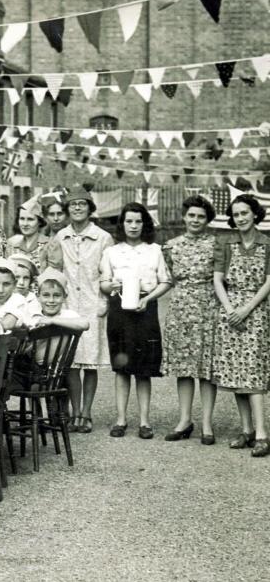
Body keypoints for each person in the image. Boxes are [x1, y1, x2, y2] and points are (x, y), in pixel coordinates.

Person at [44, 187, 113, 434]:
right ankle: (74, 412)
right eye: (73, 205)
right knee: (71, 361)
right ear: (67, 209)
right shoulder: (60, 237)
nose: (77, 208)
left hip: (94, 304)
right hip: (69, 304)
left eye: (82, 204)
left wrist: (105, 300)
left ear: (89, 208)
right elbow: (54, 270)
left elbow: (109, 273)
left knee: (91, 361)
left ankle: (86, 411)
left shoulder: (103, 237)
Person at [100, 202, 172, 439]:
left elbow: (166, 281)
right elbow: (103, 283)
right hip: (120, 309)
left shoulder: (154, 250)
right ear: (122, 224)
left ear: (145, 224)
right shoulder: (112, 252)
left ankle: (144, 421)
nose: (133, 226)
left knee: (143, 368)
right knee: (122, 368)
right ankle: (120, 420)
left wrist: (148, 299)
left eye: (138, 221)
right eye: (129, 221)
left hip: (145, 309)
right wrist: (111, 285)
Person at [211, 194, 270, 457]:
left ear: (255, 214)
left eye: (245, 213)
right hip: (230, 313)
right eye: (236, 214)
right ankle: (246, 430)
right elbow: (217, 280)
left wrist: (247, 309)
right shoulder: (226, 243)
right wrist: (229, 310)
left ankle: (262, 434)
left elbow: (269, 282)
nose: (241, 218)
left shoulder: (267, 244)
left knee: (253, 372)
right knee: (236, 372)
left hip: (256, 312)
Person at [162, 196, 219, 444]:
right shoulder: (171, 246)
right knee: (183, 368)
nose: (195, 220)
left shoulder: (216, 245)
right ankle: (185, 420)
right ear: (184, 217)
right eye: (192, 215)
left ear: (207, 220)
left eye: (201, 216)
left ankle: (207, 423)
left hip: (208, 309)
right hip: (180, 310)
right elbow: (167, 278)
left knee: (207, 369)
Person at [8, 196, 50, 272]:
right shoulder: (12, 245)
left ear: (39, 222)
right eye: (22, 219)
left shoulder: (49, 244)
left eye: (30, 219)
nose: (25, 224)